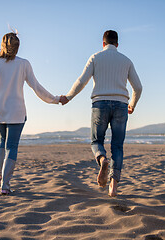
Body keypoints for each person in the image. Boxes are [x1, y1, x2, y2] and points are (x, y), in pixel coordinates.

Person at [60, 30, 142, 197]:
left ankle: (103, 160)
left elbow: (81, 81)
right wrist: (132, 104)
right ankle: (113, 187)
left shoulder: (95, 57)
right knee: (118, 146)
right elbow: (138, 87)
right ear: (117, 44)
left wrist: (68, 96)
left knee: (96, 141)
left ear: (103, 44)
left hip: (100, 104)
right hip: (121, 105)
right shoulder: (126, 61)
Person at [0, 32, 61, 195]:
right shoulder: (24, 64)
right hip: (16, 111)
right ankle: (4, 185)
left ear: (3, 45)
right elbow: (36, 87)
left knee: (2, 140)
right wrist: (55, 99)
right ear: (17, 47)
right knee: (11, 146)